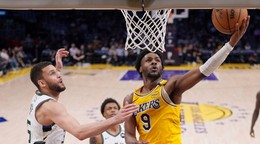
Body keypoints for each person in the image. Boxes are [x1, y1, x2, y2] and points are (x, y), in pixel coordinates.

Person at [123, 16, 250, 144]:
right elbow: (128, 134)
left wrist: (230, 44)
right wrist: (135, 142)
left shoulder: (170, 87)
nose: (154, 63)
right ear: (140, 68)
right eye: (149, 60)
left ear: (162, 68)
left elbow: (205, 69)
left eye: (157, 60)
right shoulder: (130, 99)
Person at [27, 48, 138, 144]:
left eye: (57, 72)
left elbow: (50, 88)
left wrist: (58, 68)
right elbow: (80, 132)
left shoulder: (39, 95)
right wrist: (116, 119)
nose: (59, 75)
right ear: (42, 83)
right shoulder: (50, 107)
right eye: (53, 73)